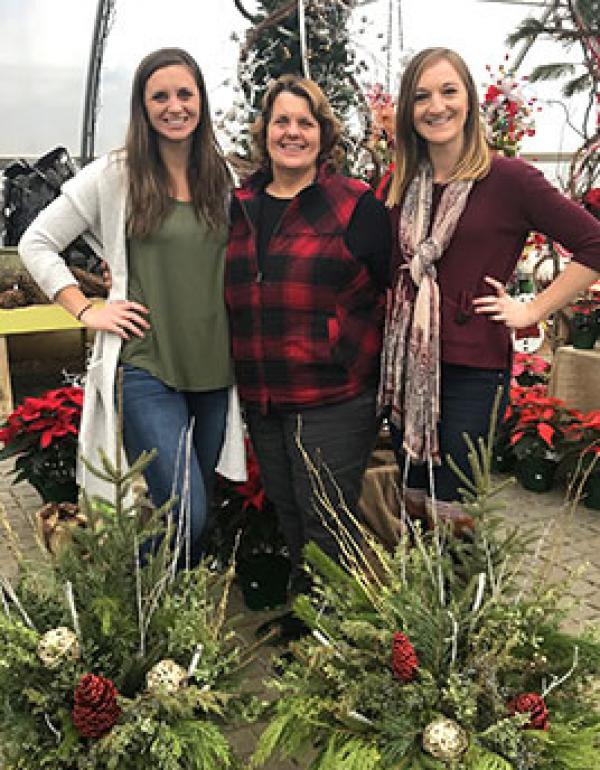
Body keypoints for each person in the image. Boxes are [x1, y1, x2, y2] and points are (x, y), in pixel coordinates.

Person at [18, 47, 245, 567]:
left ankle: (149, 614)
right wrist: (85, 309)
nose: (174, 106)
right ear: (142, 107)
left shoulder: (222, 177)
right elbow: (37, 242)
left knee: (190, 513)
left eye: (184, 93)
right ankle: (121, 585)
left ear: (201, 101)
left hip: (213, 372)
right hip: (147, 366)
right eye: (159, 96)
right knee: (186, 512)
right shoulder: (115, 175)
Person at [379, 46, 600, 511]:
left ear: (470, 99)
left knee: (455, 506)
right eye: (421, 96)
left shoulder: (508, 179)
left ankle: (460, 585)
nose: (436, 106)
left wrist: (534, 309)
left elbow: (593, 243)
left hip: (471, 372)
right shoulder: (400, 185)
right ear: (408, 110)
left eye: (448, 91)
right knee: (413, 500)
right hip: (406, 368)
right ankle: (416, 585)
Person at [225, 74, 391, 596]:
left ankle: (335, 638)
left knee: (327, 524)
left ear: (323, 134)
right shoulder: (239, 205)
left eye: (305, 122)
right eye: (282, 122)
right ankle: (311, 626)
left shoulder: (354, 204)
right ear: (265, 131)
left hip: (332, 397)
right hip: (265, 398)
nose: (292, 133)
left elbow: (390, 290)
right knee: (291, 514)